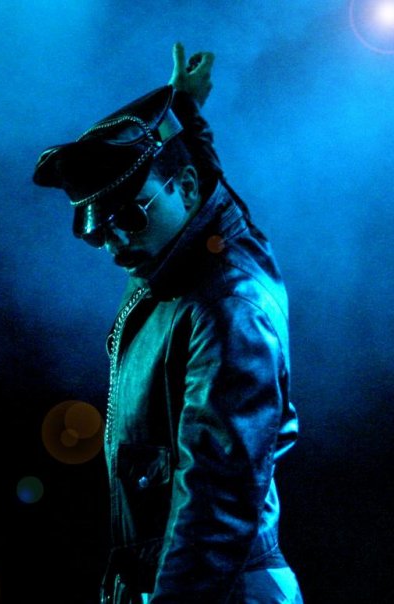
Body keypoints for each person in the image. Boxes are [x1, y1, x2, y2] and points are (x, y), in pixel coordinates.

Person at [33, 42, 303, 604]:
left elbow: (216, 503)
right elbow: (205, 179)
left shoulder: (228, 307)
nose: (115, 242)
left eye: (130, 216)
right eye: (97, 229)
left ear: (184, 189)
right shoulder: (181, 251)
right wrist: (183, 109)